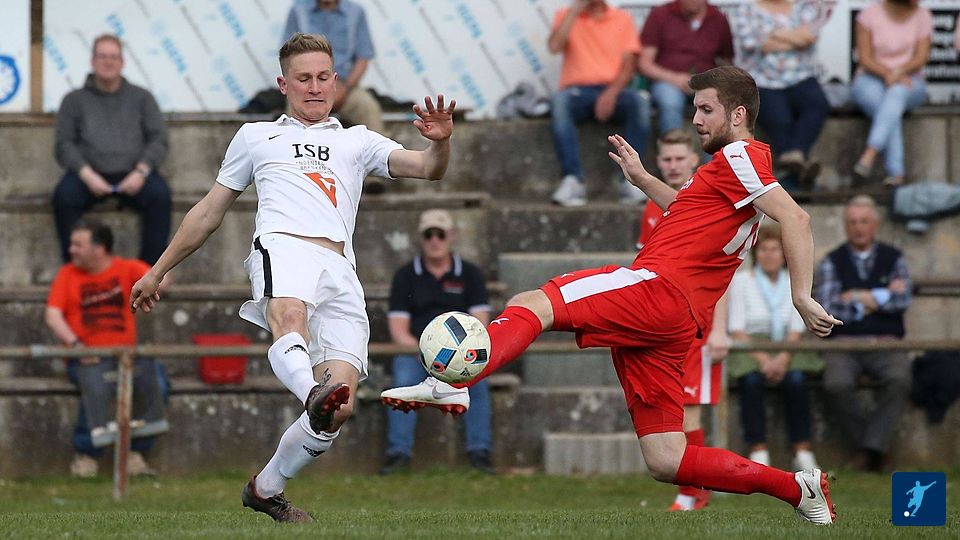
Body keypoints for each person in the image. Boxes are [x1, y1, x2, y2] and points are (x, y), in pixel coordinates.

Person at [384, 66, 842, 525]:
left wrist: (800, 296)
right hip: (677, 320)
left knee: (532, 303)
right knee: (666, 458)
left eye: (706, 109)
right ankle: (797, 489)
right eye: (695, 109)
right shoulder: (733, 169)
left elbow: (796, 218)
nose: (696, 120)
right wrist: (643, 178)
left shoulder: (740, 156)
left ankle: (454, 382)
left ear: (738, 114)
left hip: (658, 289)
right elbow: (685, 212)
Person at [130, 33, 456, 523]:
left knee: (339, 409)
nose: (314, 87)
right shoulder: (256, 136)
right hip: (283, 246)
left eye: (323, 77)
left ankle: (265, 488)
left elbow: (429, 168)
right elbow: (209, 211)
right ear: (284, 84)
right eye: (303, 78)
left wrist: (442, 141)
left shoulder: (357, 140)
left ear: (336, 82)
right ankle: (310, 392)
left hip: (340, 269)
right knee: (289, 316)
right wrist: (158, 270)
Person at [635, 129, 728, 512]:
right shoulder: (652, 207)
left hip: (698, 323)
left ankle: (694, 492)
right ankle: (696, 488)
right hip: (665, 323)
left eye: (679, 159)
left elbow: (723, 269)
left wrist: (720, 329)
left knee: (690, 409)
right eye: (666, 159)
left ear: (694, 159)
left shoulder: (707, 198)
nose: (673, 166)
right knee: (672, 408)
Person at [45, 220, 169, 478]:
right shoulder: (67, 274)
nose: (71, 250)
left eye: (78, 245)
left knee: (156, 379)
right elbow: (53, 315)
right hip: (85, 356)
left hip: (125, 356)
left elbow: (164, 278)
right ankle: (87, 455)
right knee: (96, 383)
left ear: (99, 248)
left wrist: (153, 282)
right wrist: (77, 347)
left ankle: (136, 452)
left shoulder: (126, 268)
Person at [380, 209, 494, 475]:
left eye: (440, 234)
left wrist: (453, 358)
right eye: (429, 234)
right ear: (421, 238)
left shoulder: (471, 274)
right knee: (402, 378)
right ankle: (398, 454)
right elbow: (398, 330)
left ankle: (480, 453)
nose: (434, 240)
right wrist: (428, 356)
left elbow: (480, 326)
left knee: (479, 382)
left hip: (462, 356)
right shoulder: (405, 276)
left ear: (451, 236)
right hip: (415, 353)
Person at [53, 34, 172, 265]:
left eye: (114, 57)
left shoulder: (142, 98)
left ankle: (151, 271)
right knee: (64, 197)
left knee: (160, 196)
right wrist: (87, 174)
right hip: (88, 175)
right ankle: (74, 267)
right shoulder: (73, 100)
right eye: (102, 56)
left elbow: (159, 139)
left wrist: (141, 171)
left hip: (135, 174)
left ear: (122, 62)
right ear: (92, 61)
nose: (108, 62)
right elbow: (64, 144)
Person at [815, 195, 912, 473]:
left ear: (875, 225)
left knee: (900, 378)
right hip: (844, 345)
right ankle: (875, 449)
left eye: (864, 221)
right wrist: (881, 296)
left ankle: (867, 450)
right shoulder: (832, 261)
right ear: (845, 226)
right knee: (836, 383)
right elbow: (830, 307)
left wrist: (856, 297)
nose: (859, 227)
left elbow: (903, 299)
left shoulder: (894, 258)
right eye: (853, 222)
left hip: (886, 344)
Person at [727, 224, 820, 471]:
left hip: (786, 345)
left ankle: (802, 450)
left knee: (797, 380)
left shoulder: (795, 282)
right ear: (756, 253)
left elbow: (796, 329)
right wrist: (764, 360)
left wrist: (782, 358)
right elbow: (737, 329)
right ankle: (758, 449)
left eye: (775, 249)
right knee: (750, 381)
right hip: (750, 346)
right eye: (764, 249)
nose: (769, 255)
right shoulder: (741, 282)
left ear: (784, 254)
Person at [547, 0, 651, 207]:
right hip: (577, 93)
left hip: (614, 90)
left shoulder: (621, 18)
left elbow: (629, 64)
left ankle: (632, 179)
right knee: (559, 101)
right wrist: (575, 10)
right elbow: (554, 47)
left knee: (640, 102)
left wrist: (611, 93)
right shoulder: (565, 14)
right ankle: (572, 179)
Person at [732, 0, 831, 190]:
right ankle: (799, 169)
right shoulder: (747, 9)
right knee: (780, 117)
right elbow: (751, 43)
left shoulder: (804, 6)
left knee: (818, 104)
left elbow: (808, 37)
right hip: (762, 80)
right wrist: (793, 37)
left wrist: (772, 33)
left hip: (801, 76)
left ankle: (792, 158)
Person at [850, 0, 932, 187]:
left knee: (896, 94)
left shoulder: (923, 15)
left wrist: (898, 73)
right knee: (889, 109)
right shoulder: (869, 14)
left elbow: (921, 58)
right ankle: (896, 173)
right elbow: (865, 58)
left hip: (909, 78)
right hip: (871, 77)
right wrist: (888, 73)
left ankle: (869, 153)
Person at [283, 0, 383, 134]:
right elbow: (288, 56)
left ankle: (377, 148)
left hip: (346, 86)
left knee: (368, 108)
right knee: (293, 115)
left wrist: (345, 89)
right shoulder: (298, 11)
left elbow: (363, 58)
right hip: (306, 85)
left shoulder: (356, 12)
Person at [639, 0, 734, 135]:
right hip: (668, 81)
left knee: (721, 102)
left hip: (706, 81)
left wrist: (717, 83)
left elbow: (727, 62)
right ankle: (674, 147)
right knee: (670, 101)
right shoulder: (659, 15)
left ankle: (716, 148)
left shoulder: (718, 19)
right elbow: (644, 64)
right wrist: (675, 78)